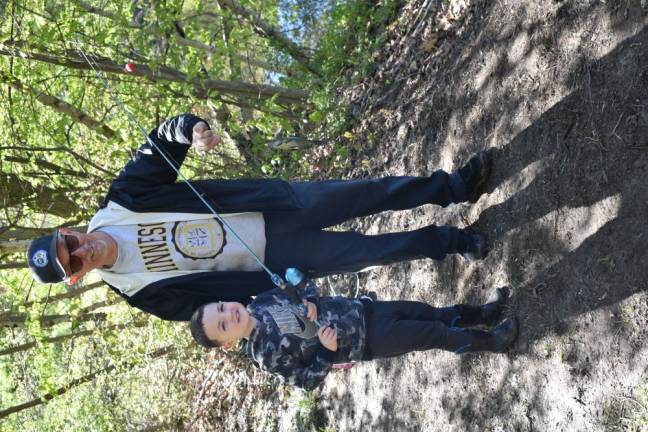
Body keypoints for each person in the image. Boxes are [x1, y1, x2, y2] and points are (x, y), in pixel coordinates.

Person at [26, 113, 493, 321]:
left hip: (273, 205)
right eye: (75, 262)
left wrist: (191, 130)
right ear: (75, 278)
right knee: (372, 252)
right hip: (278, 258)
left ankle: (453, 187)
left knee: (370, 193)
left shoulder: (122, 199)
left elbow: (160, 143)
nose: (81, 251)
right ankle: (451, 241)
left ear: (68, 230)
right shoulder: (136, 291)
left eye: (71, 243)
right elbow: (208, 311)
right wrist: (276, 297)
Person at [189, 278, 518, 390]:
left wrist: (310, 298)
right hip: (369, 341)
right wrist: (327, 352)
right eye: (222, 325)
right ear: (228, 342)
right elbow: (305, 382)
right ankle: (495, 341)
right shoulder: (265, 356)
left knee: (429, 312)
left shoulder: (260, 301)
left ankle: (484, 315)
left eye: (220, 307)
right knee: (432, 333)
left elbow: (304, 286)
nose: (227, 314)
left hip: (364, 310)